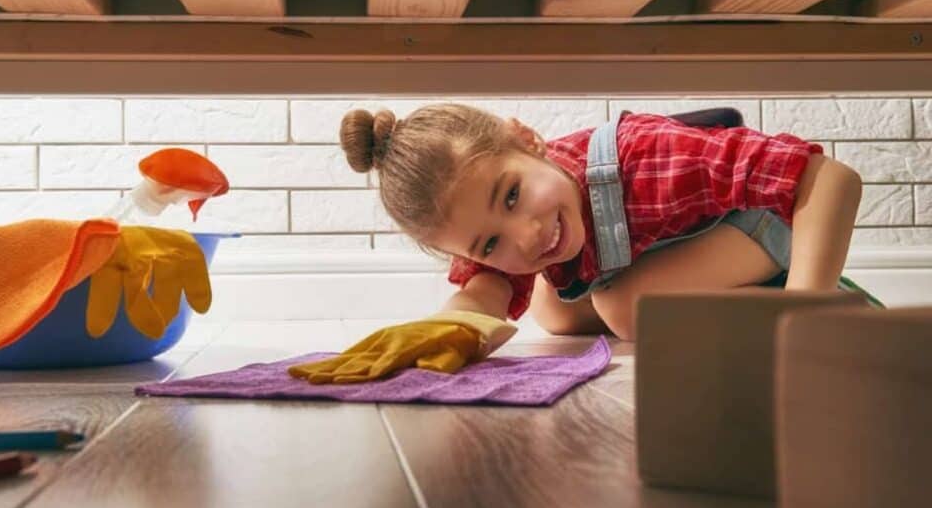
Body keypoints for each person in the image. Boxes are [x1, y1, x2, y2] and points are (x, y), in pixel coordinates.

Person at [288, 103, 876, 384]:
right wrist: (443, 332)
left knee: (621, 307)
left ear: (527, 140)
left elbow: (829, 179)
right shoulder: (513, 235)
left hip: (771, 223)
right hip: (680, 243)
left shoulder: (646, 156)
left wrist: (807, 301)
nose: (526, 236)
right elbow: (485, 293)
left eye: (513, 196)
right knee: (551, 304)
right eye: (489, 242)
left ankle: (820, 305)